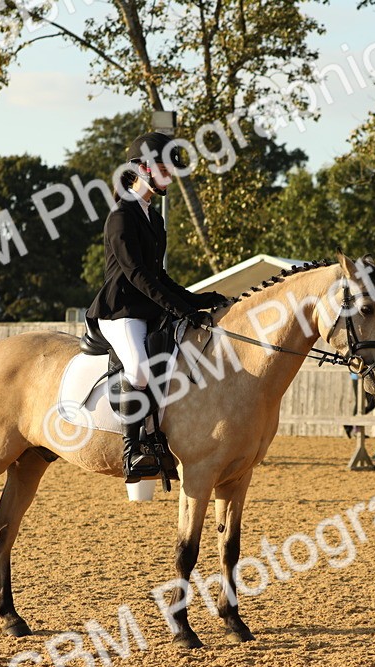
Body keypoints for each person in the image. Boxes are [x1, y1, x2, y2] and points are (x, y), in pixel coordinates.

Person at [86, 132, 227, 482]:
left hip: (148, 308)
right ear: (142, 168)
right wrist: (179, 308)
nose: (169, 178)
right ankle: (133, 449)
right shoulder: (121, 216)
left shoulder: (155, 218)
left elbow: (159, 276)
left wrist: (198, 300)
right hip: (120, 311)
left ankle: (159, 436)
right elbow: (136, 275)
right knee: (139, 370)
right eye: (164, 170)